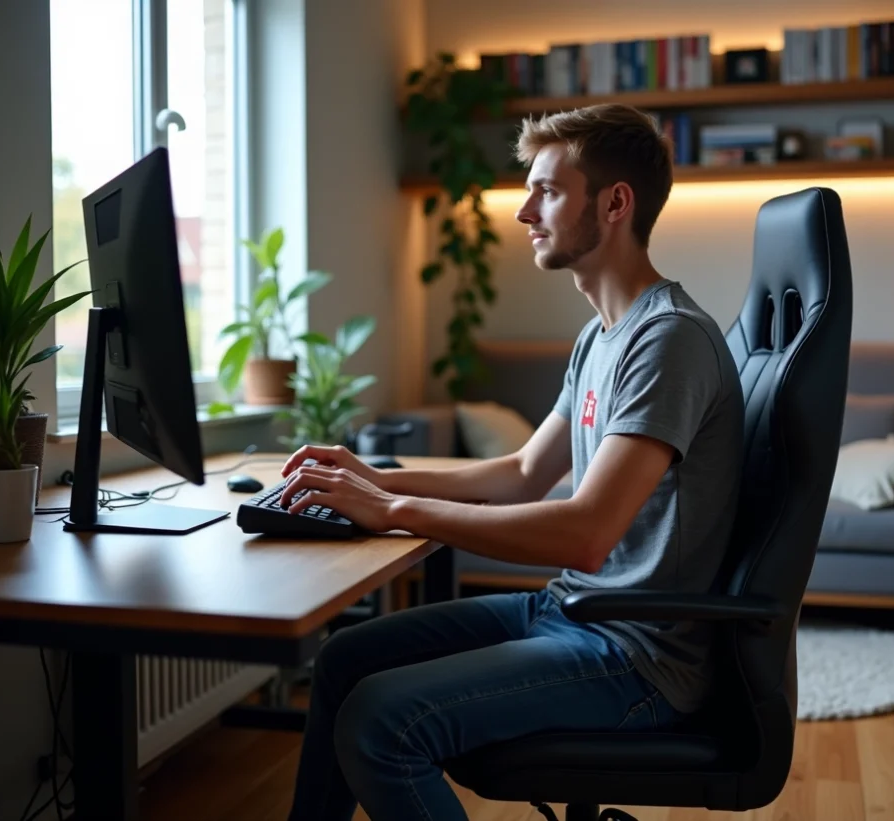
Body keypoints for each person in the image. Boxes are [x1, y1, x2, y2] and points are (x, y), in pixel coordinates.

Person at [282, 103, 744, 821]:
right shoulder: (602, 337)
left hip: (637, 653)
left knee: (381, 720)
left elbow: (585, 534)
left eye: (548, 191)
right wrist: (375, 478)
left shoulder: (669, 340)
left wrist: (396, 511)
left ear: (615, 203)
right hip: (574, 612)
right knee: (345, 662)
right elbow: (522, 471)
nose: (525, 212)